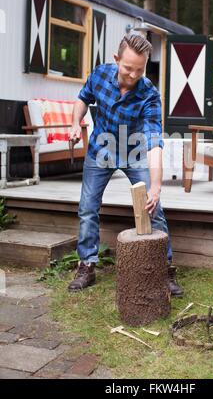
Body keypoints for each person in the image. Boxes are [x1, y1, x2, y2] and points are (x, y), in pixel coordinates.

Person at [68, 33, 183, 297]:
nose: (132, 75)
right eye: (128, 68)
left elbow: (154, 142)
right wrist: (76, 122)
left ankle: (164, 269)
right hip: (101, 149)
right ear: (116, 59)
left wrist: (155, 188)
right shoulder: (99, 75)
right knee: (87, 207)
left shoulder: (149, 95)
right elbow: (83, 98)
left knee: (155, 209)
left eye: (139, 70)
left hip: (136, 152)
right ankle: (86, 265)